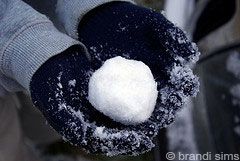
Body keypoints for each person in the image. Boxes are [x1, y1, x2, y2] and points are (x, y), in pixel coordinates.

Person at [0, 0, 199, 160]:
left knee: (50, 112)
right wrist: (21, 41)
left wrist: (96, 6)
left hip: (53, 30)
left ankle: (45, 140)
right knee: (6, 146)